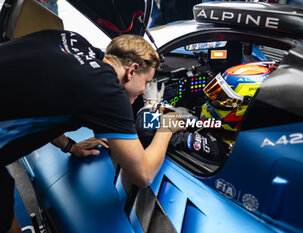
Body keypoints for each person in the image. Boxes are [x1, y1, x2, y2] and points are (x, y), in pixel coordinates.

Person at [0, 30, 183, 233]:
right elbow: (142, 174)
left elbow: (40, 98)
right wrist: (166, 128)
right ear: (132, 70)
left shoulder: (73, 40)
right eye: (146, 83)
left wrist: (69, 146)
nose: (144, 92)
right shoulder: (106, 91)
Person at [136, 61, 275, 163]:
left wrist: (150, 105)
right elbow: (202, 121)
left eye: (221, 100)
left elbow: (148, 132)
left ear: (245, 111)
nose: (210, 102)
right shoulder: (251, 136)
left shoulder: (217, 147)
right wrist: (186, 116)